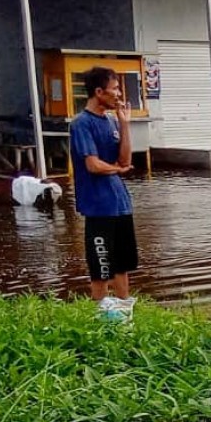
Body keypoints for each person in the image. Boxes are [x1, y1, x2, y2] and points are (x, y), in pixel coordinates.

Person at [70, 66, 137, 302]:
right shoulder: (81, 124)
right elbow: (93, 165)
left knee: (122, 264)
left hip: (120, 203)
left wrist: (125, 125)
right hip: (98, 206)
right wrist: (118, 170)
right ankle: (101, 315)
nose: (119, 93)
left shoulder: (111, 121)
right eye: (115, 89)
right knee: (101, 267)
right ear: (99, 92)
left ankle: (125, 312)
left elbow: (126, 160)